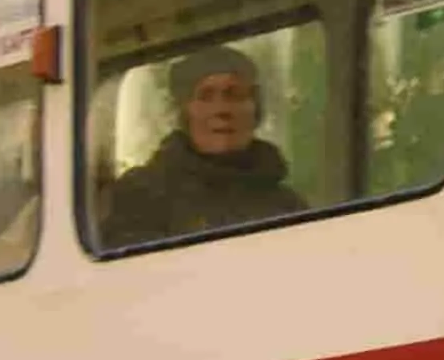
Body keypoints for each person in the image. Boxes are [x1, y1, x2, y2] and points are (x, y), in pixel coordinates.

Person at [99, 44, 302, 248]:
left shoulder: (286, 204)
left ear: (255, 109)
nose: (222, 110)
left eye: (234, 95)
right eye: (205, 96)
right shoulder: (139, 195)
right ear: (184, 113)